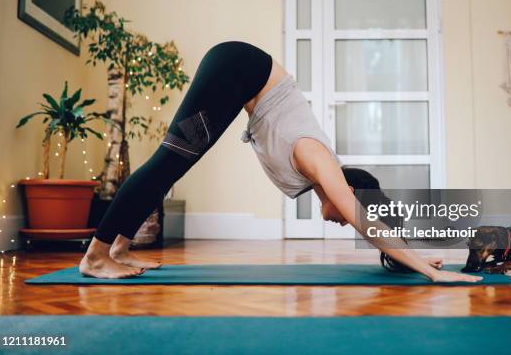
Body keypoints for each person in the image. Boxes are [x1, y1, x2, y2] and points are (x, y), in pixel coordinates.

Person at [79, 41, 482, 283]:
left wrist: (407, 255)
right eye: (347, 210)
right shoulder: (318, 160)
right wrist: (432, 272)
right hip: (237, 68)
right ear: (352, 190)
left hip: (239, 74)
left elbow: (368, 220)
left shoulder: (320, 169)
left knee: (171, 165)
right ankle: (97, 257)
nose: (342, 219)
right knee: (169, 163)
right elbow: (366, 220)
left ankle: (120, 249)